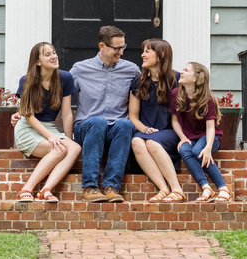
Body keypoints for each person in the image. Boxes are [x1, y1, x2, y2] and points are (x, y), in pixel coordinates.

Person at [69, 25, 139, 203]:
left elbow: (145, 98)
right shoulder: (80, 69)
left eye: (123, 47)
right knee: (98, 122)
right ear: (102, 46)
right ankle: (90, 187)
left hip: (116, 128)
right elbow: (58, 96)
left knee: (126, 124)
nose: (121, 52)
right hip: (87, 127)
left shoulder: (131, 70)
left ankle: (111, 187)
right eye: (116, 48)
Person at [12, 42, 82, 203]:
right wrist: (51, 137)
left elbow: (66, 113)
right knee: (59, 149)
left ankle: (46, 190)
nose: (54, 56)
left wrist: (68, 137)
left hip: (49, 127)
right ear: (38, 62)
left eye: (54, 52)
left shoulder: (65, 78)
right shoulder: (27, 81)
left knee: (74, 147)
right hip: (28, 128)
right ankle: (26, 190)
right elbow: (28, 116)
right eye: (48, 54)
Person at [129, 38, 184, 202]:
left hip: (170, 131)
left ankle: (177, 189)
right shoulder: (139, 82)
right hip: (146, 132)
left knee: (152, 143)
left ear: (161, 55)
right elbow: (133, 115)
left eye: (147, 51)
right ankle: (163, 188)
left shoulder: (177, 80)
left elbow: (182, 114)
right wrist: (144, 129)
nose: (142, 55)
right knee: (136, 141)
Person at [170, 62, 231, 203]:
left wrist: (208, 148)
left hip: (209, 137)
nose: (181, 72)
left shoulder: (207, 99)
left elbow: (211, 127)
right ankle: (206, 188)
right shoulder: (175, 94)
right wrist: (183, 138)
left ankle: (223, 189)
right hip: (189, 136)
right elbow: (174, 121)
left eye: (186, 70)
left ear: (196, 78)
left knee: (199, 150)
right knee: (185, 150)